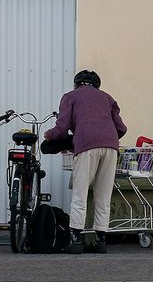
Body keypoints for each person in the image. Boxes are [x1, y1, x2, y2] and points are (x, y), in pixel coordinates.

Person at [46, 69, 127, 254]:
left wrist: (50, 136)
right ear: (97, 85)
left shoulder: (70, 96)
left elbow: (62, 126)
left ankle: (76, 240)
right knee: (103, 196)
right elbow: (121, 128)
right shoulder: (107, 98)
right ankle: (101, 241)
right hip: (111, 146)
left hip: (86, 145)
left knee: (80, 194)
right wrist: (107, 135)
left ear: (76, 84)